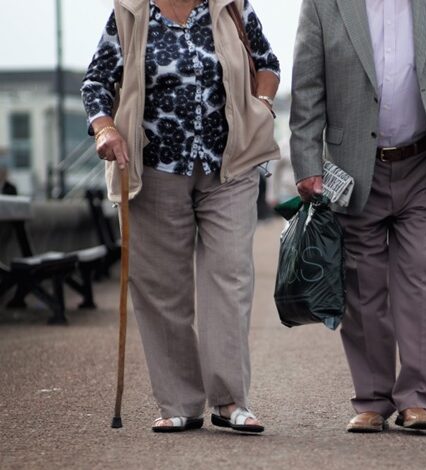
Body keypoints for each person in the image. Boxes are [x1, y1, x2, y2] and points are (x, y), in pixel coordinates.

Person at [290, 0, 426, 433]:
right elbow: (306, 89)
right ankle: (372, 400)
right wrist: (306, 161)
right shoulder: (324, 5)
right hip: (353, 166)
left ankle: (416, 398)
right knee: (362, 284)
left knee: (421, 276)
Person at [81, 0, 280, 433]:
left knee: (230, 277)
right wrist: (105, 128)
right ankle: (179, 403)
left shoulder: (231, 6)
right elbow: (97, 81)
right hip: (154, 169)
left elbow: (267, 63)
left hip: (230, 166)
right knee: (162, 289)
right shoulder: (131, 11)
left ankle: (230, 400)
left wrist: (262, 106)